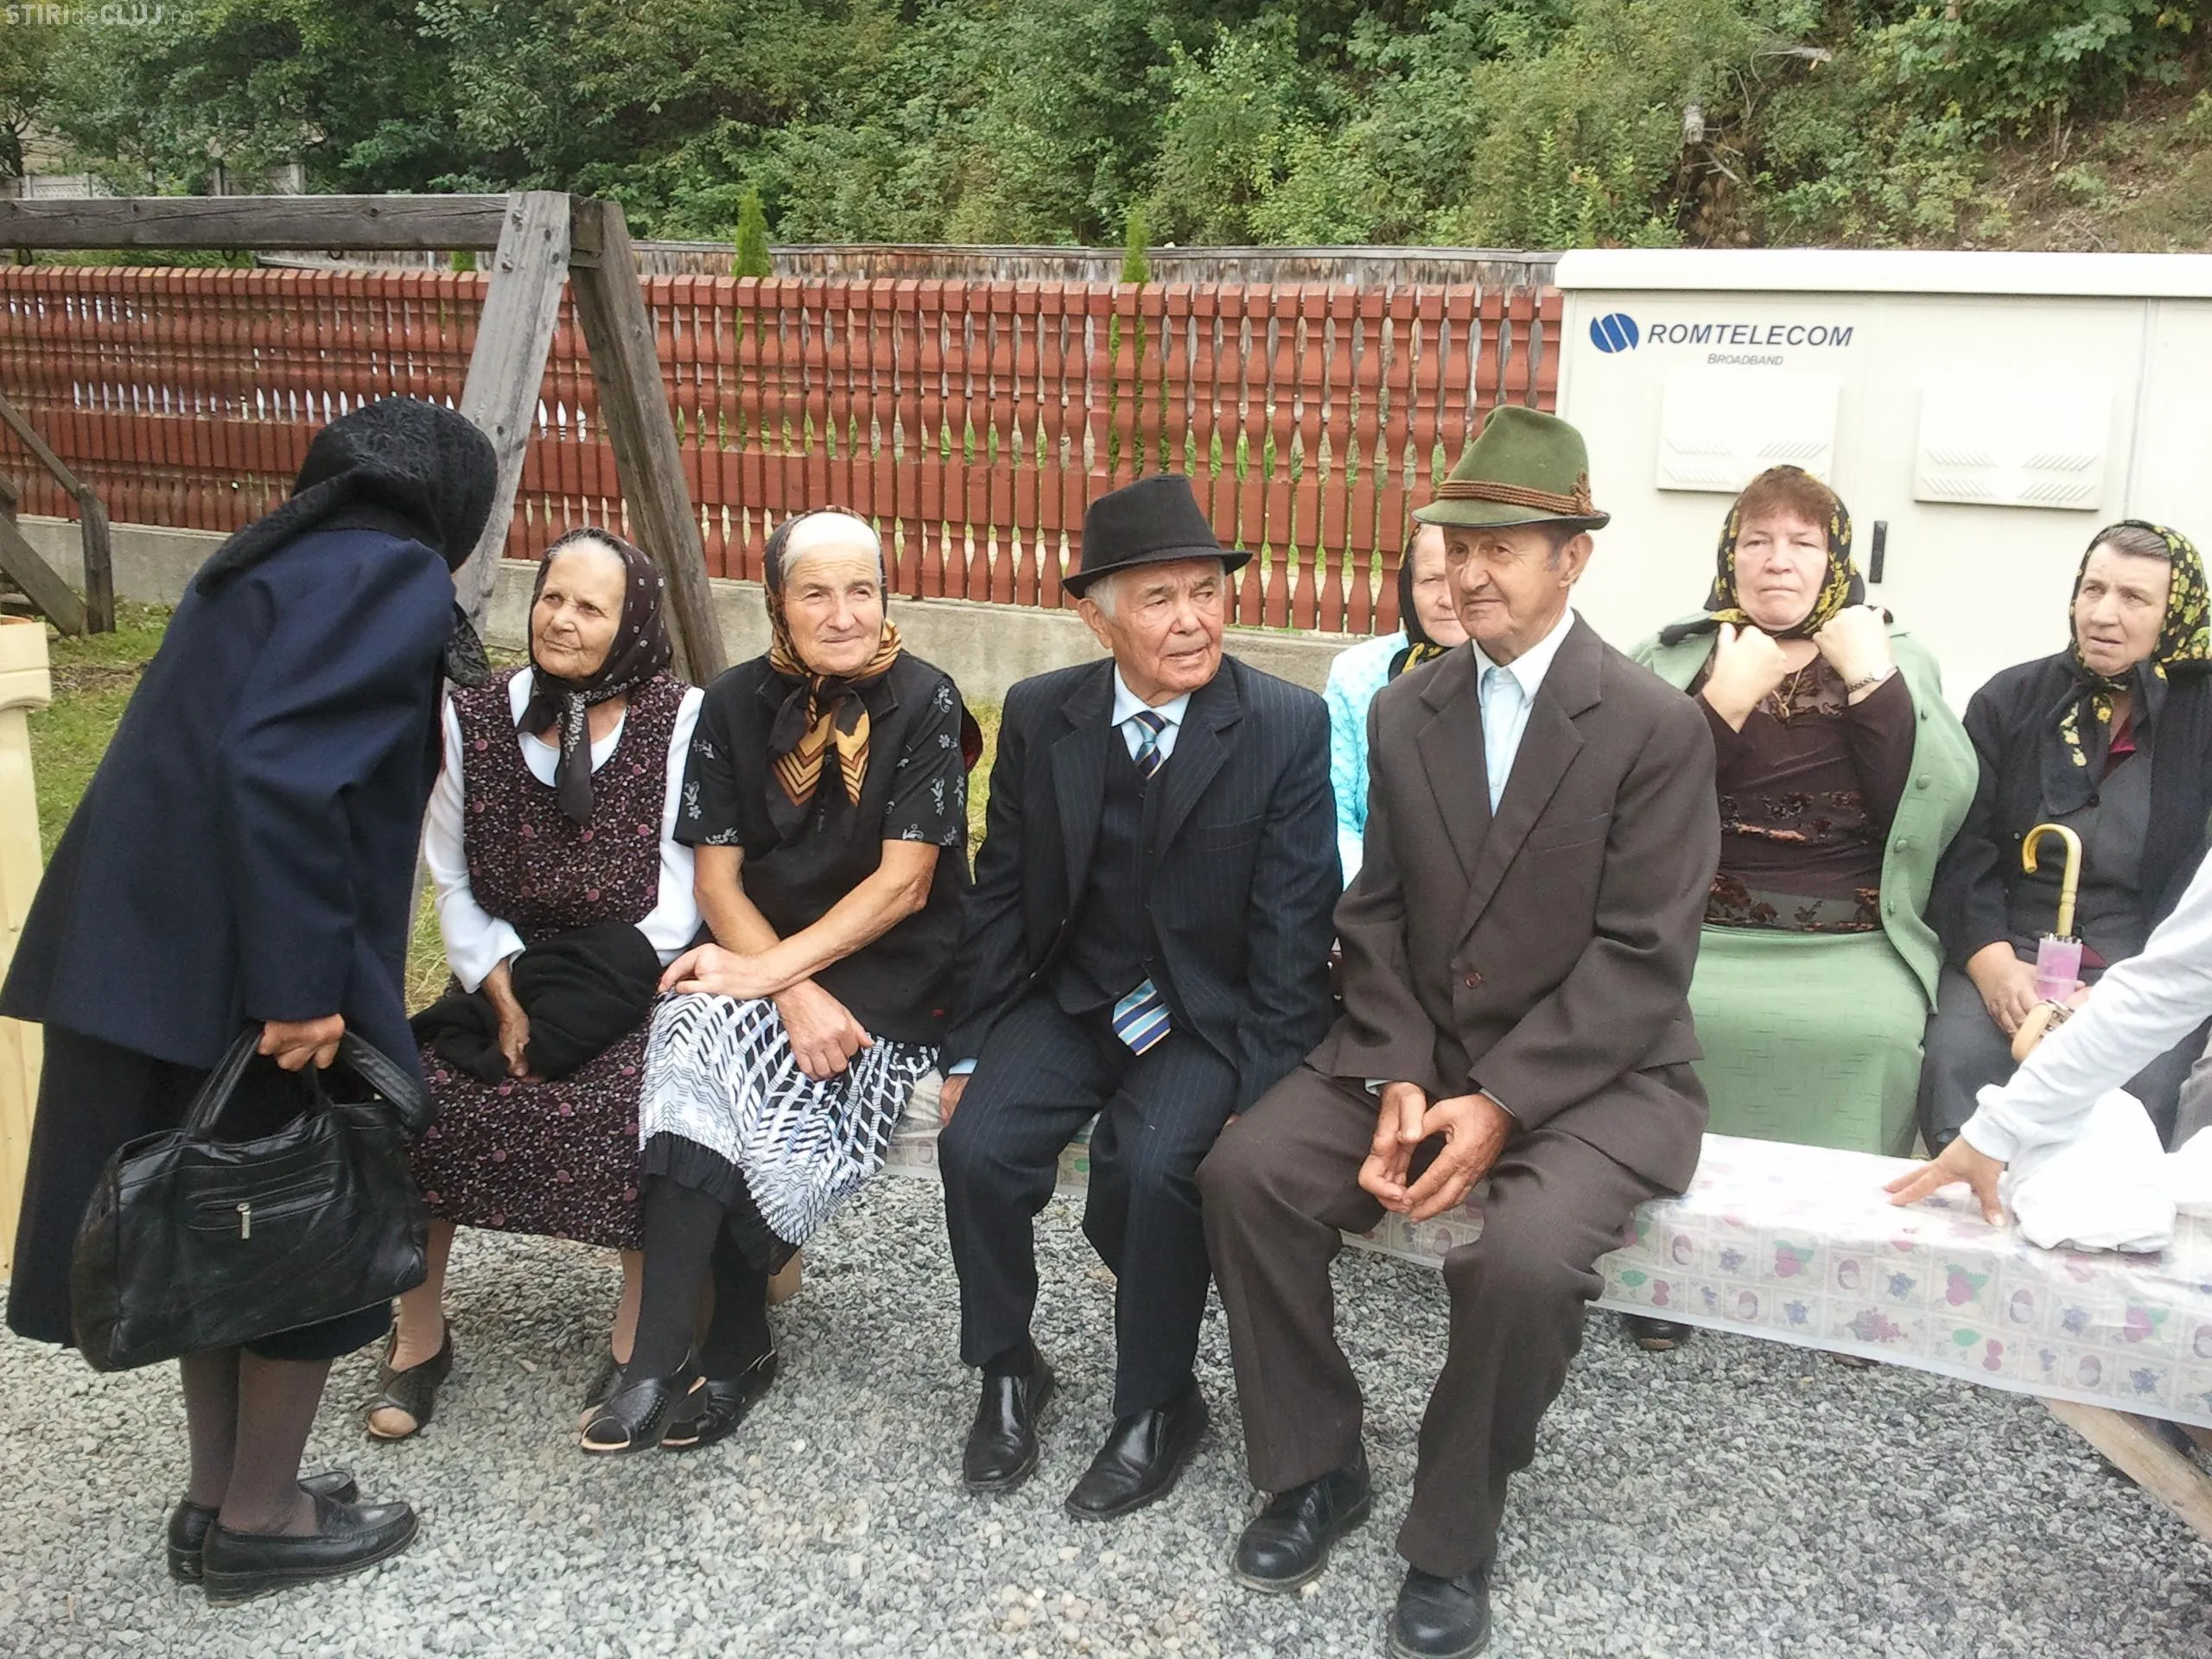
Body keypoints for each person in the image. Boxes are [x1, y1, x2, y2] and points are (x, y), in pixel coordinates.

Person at [1196, 406, 1718, 1659]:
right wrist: (1392, 1067)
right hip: (1419, 1043)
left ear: (1572, 559)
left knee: (1522, 1264)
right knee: (1246, 1175)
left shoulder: (1652, 725)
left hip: (1596, 1073)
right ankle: (1315, 1467)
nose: (1470, 572)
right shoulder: (1407, 709)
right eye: (1457, 544)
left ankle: (1452, 1529)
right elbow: (1374, 912)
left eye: (1502, 547)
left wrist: (1499, 1100)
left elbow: (1645, 956)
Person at [0, 397, 497, 1601]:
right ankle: (264, 1519)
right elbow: (282, 770)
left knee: (225, 1230)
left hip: (153, 966)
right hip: (254, 974)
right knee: (298, 1226)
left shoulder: (268, 560)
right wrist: (302, 989)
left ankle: (219, 1499)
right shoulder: (388, 573)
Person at [935, 473, 1338, 1521]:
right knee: (976, 1148)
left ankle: (1156, 1403)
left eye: (1206, 591)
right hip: (1072, 997)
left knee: (1155, 1169)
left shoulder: (1282, 724)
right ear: (1097, 616)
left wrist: (1263, 1091)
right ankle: (1008, 1367)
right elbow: (1000, 890)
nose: (1192, 620)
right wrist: (968, 1047)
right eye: (1159, 599)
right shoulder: (1042, 714)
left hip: (1204, 1014)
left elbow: (1294, 930)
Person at [580, 508, 973, 1454]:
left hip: (890, 972)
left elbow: (905, 885)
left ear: (884, 597)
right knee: (692, 1032)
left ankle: (725, 1340)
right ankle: (669, 1353)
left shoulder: (927, 698)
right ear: (776, 603)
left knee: (735, 1045)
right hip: (768, 956)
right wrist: (781, 989)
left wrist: (767, 976)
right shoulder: (730, 703)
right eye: (815, 593)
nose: (842, 615)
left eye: (861, 591)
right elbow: (717, 882)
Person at [372, 527, 704, 1440]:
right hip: (502, 966)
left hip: (626, 976)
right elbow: (450, 873)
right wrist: (503, 987)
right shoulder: (474, 716)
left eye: (591, 607)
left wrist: (567, 1007)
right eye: (552, 597)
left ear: (631, 623)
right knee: (421, 1097)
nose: (562, 620)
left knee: (635, 1106)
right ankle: (418, 1335)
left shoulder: (680, 718)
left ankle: (638, 1337)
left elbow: (678, 897)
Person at [1921, 521, 2212, 1152]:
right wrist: (1995, 969)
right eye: (2093, 589)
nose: (2103, 614)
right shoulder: (2012, 700)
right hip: (2010, 951)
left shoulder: (2204, 718)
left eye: (2134, 598)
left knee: (2142, 1083)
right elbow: (1961, 851)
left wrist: (2120, 999)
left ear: (2176, 614)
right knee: (1957, 1057)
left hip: (2144, 968)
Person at [1890, 847, 2212, 1225]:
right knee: (1959, 1049)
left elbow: (2162, 991)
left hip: (2126, 952)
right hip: (2020, 952)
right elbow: (2163, 989)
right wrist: (1994, 1132)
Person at [1326, 522, 1470, 880]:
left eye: (1460, 579)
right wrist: (1371, 898)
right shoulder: (1355, 673)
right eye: (1431, 580)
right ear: (1408, 586)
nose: (1447, 599)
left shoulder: (1517, 679)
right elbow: (1333, 812)